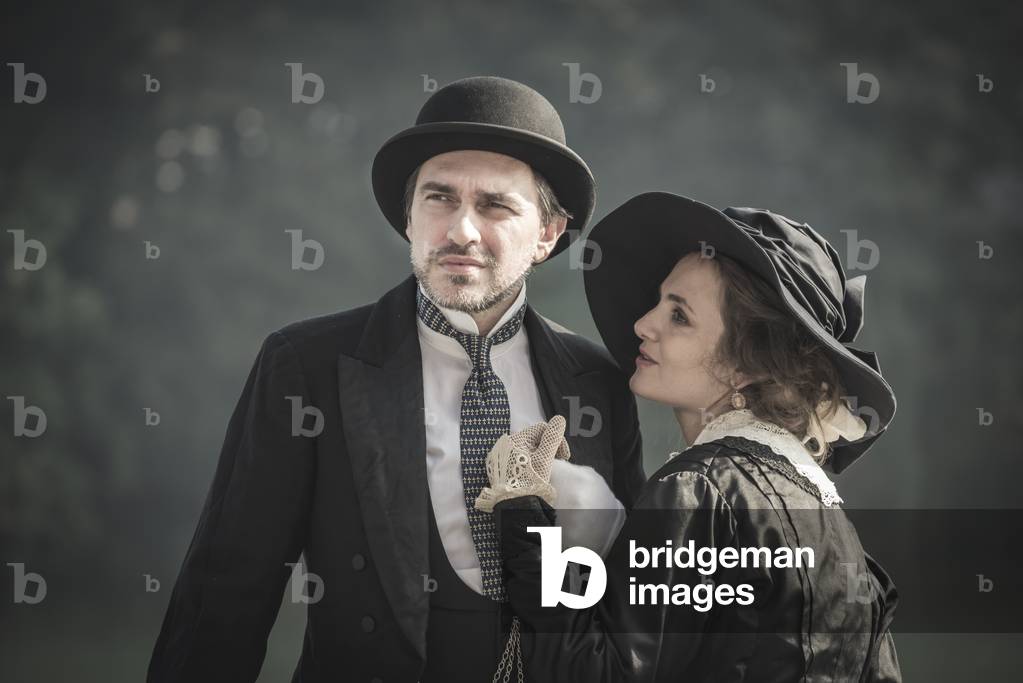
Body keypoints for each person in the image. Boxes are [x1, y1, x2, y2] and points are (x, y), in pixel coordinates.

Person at [147, 77, 646, 683]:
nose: (461, 230)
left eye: (494, 205)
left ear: (546, 233)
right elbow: (225, 594)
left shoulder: (597, 379)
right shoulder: (307, 365)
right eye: (439, 198)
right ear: (410, 217)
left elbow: (626, 601)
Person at [479, 192, 902, 682]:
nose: (643, 323)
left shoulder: (698, 493)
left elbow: (596, 674)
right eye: (659, 302)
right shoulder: (839, 532)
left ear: (748, 364)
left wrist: (531, 524)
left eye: (679, 316)